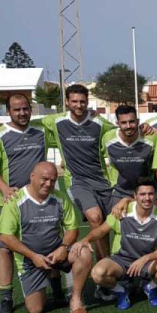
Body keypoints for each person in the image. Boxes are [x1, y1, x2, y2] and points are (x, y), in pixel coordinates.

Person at [0, 162, 93, 313]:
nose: (48, 184)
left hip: (58, 252)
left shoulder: (60, 198)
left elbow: (72, 229)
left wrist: (63, 247)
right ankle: (50, 283)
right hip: (31, 260)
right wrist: (33, 256)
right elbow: (5, 237)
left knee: (84, 252)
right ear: (32, 177)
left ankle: (75, 299)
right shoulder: (15, 200)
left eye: (53, 180)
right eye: (45, 179)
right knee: (36, 309)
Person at [0, 93, 49, 313]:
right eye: (16, 109)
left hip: (41, 200)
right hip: (11, 202)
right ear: (8, 112)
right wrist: (4, 188)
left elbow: (71, 119)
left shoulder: (42, 130)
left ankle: (57, 292)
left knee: (51, 241)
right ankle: (6, 296)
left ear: (31, 109)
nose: (22, 113)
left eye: (25, 109)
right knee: (5, 248)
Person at [39, 84, 122, 256]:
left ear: (87, 102)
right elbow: (28, 124)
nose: (78, 105)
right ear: (67, 102)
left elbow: (121, 133)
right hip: (77, 181)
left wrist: (146, 129)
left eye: (82, 101)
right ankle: (103, 270)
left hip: (102, 181)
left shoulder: (99, 123)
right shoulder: (56, 121)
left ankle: (108, 269)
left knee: (110, 224)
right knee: (95, 218)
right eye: (74, 101)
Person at [87, 181, 157, 309]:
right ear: (135, 196)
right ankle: (121, 292)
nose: (147, 198)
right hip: (122, 259)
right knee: (97, 273)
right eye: (142, 194)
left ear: (156, 196)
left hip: (147, 262)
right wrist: (85, 240)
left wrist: (145, 258)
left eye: (151, 194)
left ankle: (150, 288)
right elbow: (101, 230)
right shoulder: (122, 211)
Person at [103, 105, 157, 201]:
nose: (128, 126)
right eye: (123, 122)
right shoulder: (107, 138)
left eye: (132, 122)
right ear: (117, 123)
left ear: (138, 121)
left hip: (146, 193)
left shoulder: (151, 138)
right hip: (119, 192)